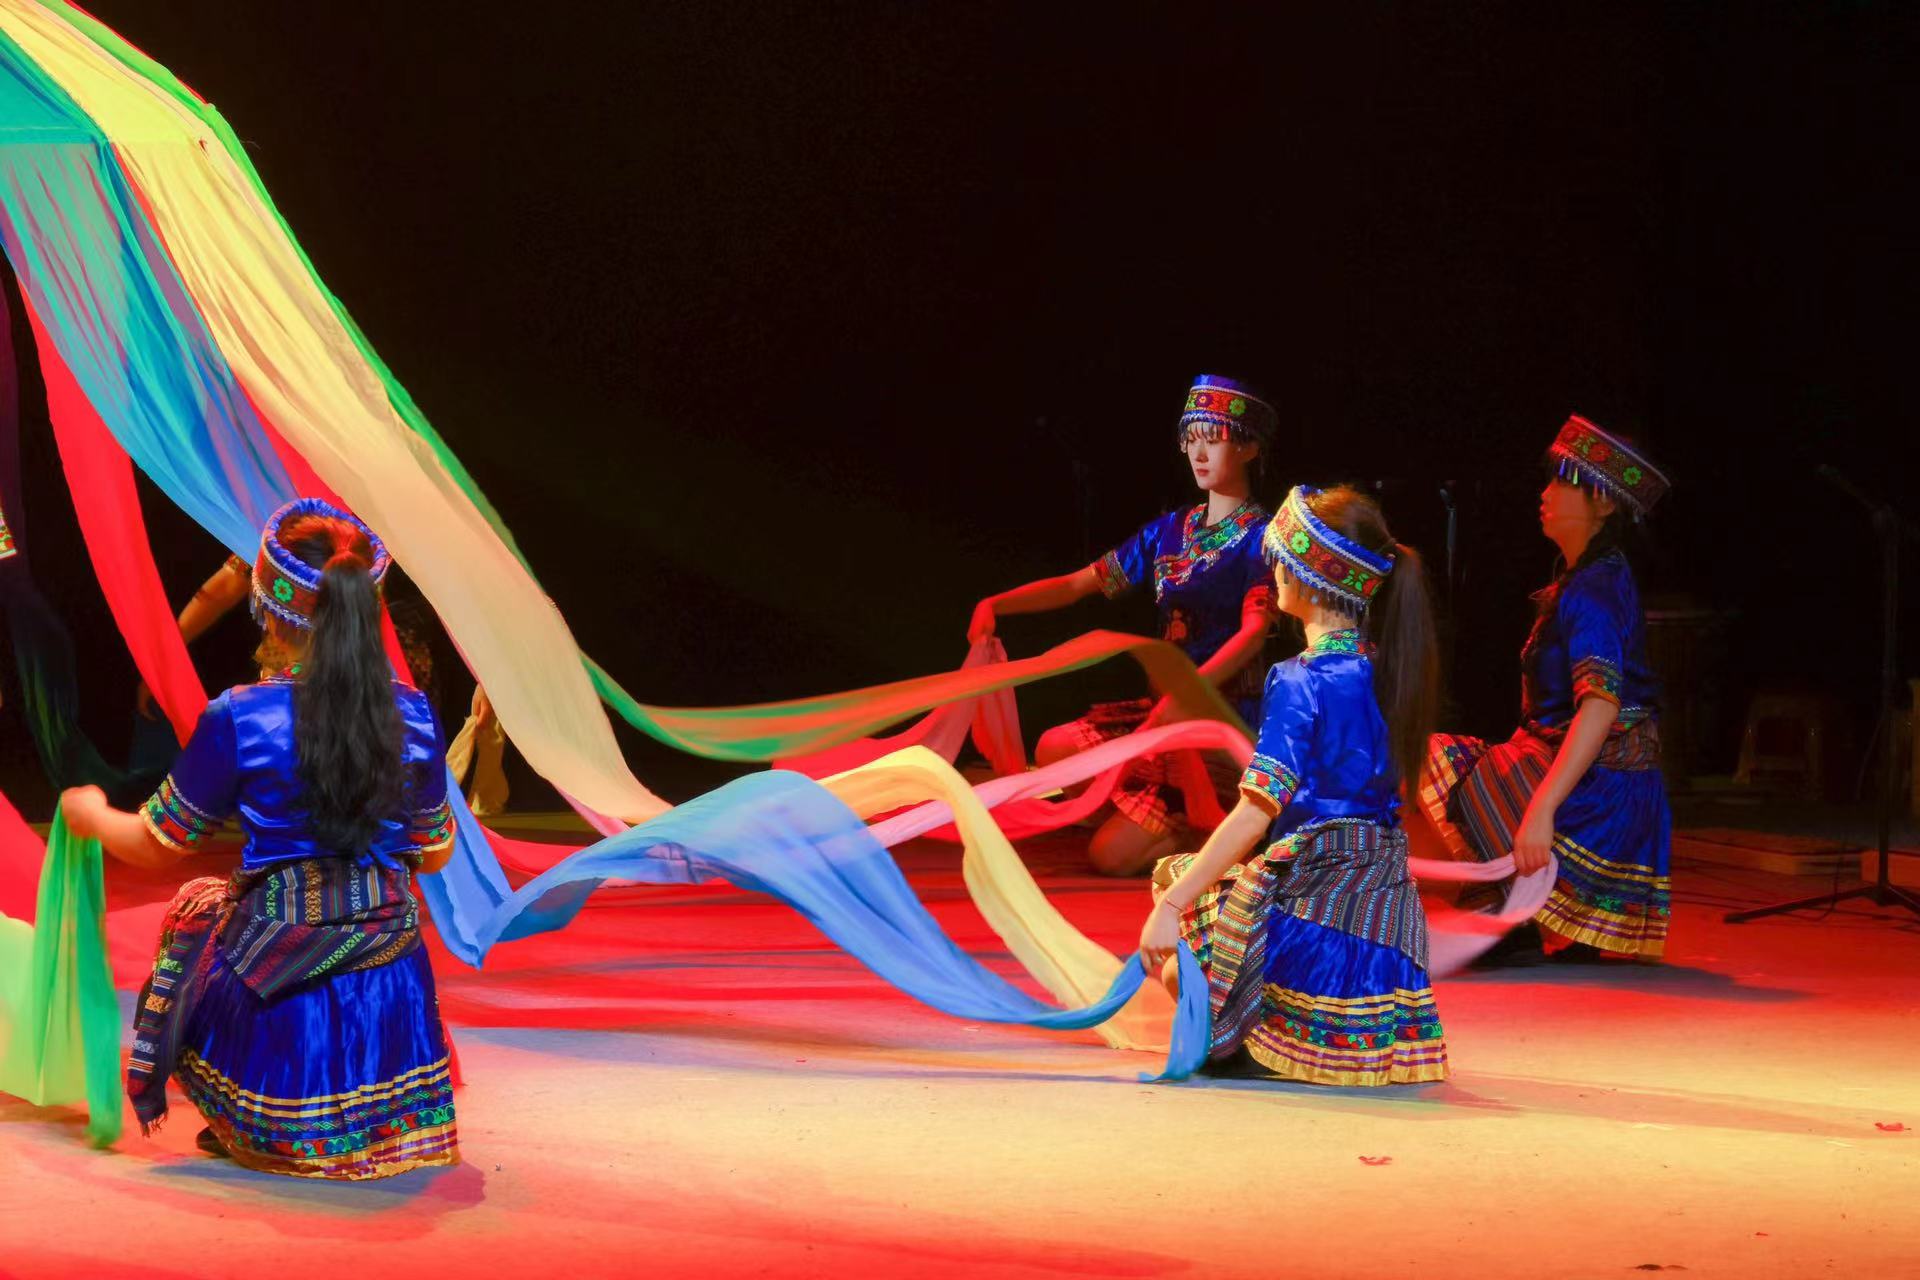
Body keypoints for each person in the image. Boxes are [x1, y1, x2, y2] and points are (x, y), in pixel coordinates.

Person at [61, 498, 460, 1178]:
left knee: (197, 912)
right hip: (389, 976)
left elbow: (159, 843)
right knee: (382, 920)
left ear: (269, 612)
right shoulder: (413, 713)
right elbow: (437, 852)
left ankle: (261, 1111)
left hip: (281, 972)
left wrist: (91, 814)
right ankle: (380, 1114)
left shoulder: (240, 717)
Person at [1138, 484, 1448, 1084]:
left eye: (1280, 558)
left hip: (1318, 895)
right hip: (1382, 917)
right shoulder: (1392, 667)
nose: (1272, 570)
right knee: (1202, 903)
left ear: (1312, 576)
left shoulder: (1300, 679)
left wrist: (1172, 908)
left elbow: (1256, 811)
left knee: (1176, 907)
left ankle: (1263, 1035)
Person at [969, 376, 1278, 874]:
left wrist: (1189, 691)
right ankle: (1168, 806)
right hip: (1164, 712)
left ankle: (1212, 825)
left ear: (1249, 448)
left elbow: (1253, 631)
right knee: (1055, 749)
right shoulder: (1170, 531)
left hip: (1222, 720)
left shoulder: (1262, 537)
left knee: (1108, 856)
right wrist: (997, 604)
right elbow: (1078, 583)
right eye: (1191, 439)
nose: (1199, 454)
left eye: (1214, 439)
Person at [1416, 415, 1673, 961]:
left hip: (1602, 796)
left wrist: (1541, 810)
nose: (1545, 493)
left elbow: (1600, 707)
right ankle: (1518, 910)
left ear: (1603, 504)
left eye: (1561, 482)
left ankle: (1523, 910)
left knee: (1448, 763)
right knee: (1441, 758)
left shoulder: (1595, 591)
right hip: (1589, 775)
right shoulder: (1590, 578)